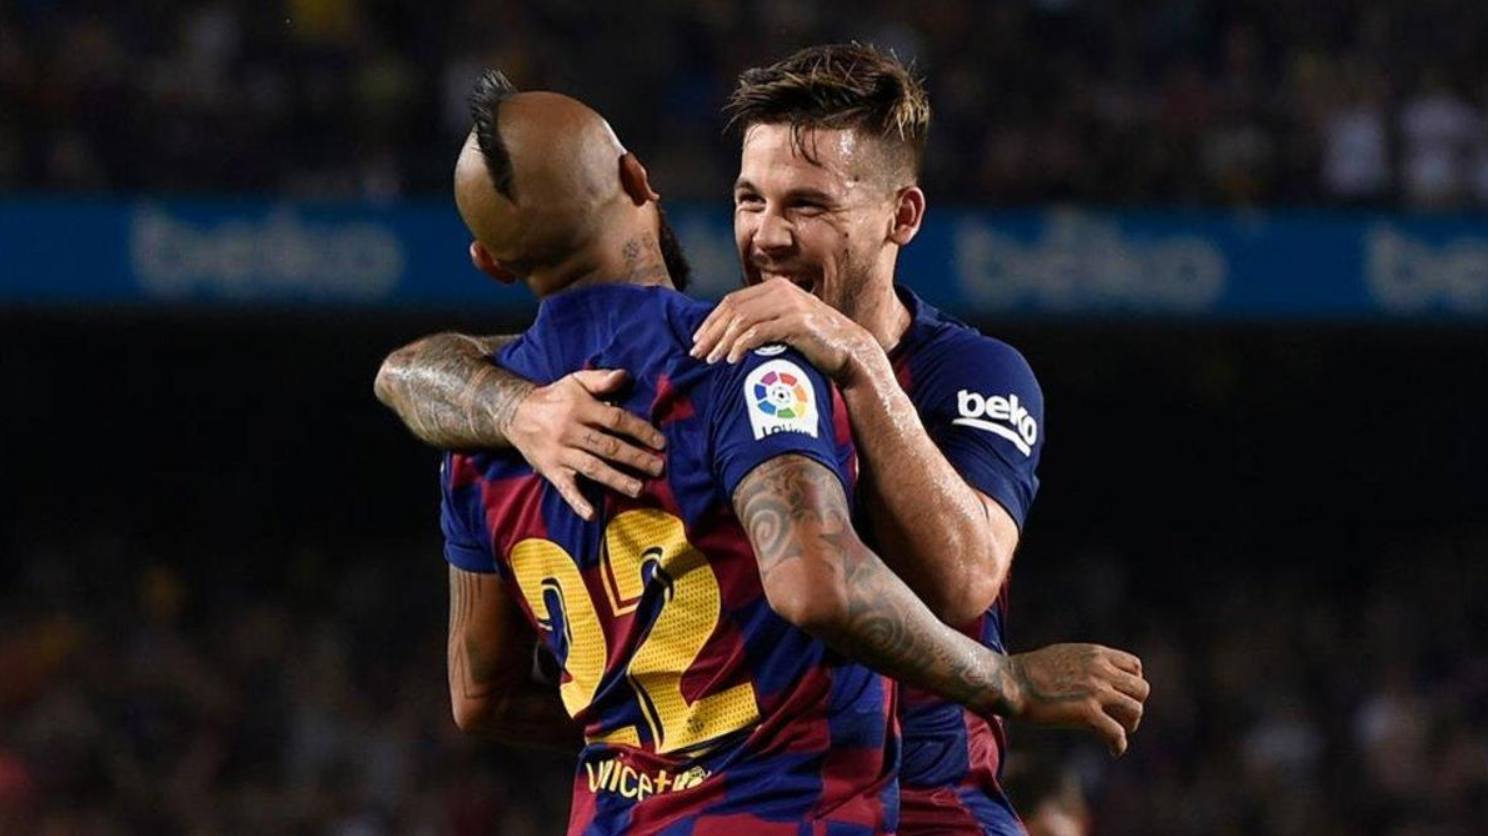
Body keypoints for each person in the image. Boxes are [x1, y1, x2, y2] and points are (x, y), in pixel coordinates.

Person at [379, 51, 1148, 836]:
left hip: (930, 810)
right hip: (800, 805)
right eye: (750, 200)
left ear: (902, 216)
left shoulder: (969, 372)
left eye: (808, 205)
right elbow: (409, 372)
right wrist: (515, 407)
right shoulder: (708, 363)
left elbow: (964, 583)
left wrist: (856, 360)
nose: (768, 236)